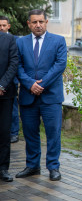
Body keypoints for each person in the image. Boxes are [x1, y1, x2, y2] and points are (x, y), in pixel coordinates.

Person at [16, 9, 67, 181]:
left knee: (53, 133)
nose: (38, 25)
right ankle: (32, 165)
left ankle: (53, 167)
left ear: (46, 22)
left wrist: (41, 85)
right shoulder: (20, 42)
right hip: (28, 95)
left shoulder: (58, 41)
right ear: (29, 24)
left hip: (51, 96)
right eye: (34, 22)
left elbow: (60, 65)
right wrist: (30, 84)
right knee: (30, 132)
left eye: (41, 22)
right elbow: (17, 66)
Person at [0, 31, 18, 182]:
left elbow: (14, 63)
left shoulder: (9, 39)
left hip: (4, 94)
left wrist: (1, 84)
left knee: (4, 132)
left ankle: (3, 168)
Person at [0, 16, 20, 143]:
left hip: (11, 83)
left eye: (4, 25)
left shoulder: (15, 40)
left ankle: (14, 132)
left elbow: (15, 62)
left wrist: (3, 84)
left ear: (9, 26)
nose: (1, 28)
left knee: (12, 109)